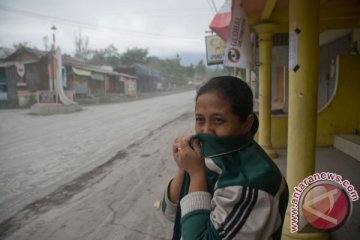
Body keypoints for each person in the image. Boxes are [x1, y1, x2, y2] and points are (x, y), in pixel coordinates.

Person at [161, 76, 289, 240]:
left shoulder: (253, 182)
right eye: (200, 119)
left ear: (247, 124)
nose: (206, 130)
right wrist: (184, 166)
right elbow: (171, 212)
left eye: (218, 120)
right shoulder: (209, 157)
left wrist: (196, 175)